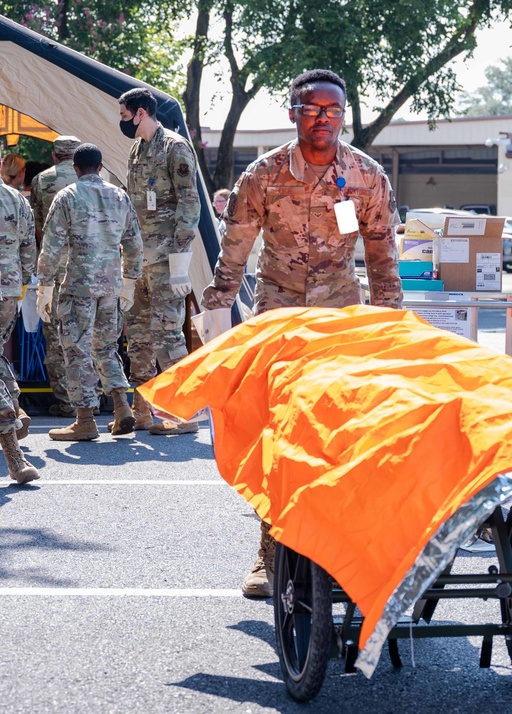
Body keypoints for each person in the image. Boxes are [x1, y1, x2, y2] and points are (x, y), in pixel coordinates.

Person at [201, 68, 403, 598]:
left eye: (332, 110)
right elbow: (236, 251)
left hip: (340, 313)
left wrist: (390, 321)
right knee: (279, 429)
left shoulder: (365, 176)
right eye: (311, 109)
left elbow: (382, 255)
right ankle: (271, 554)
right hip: (279, 312)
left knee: (338, 429)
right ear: (293, 114)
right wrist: (218, 311)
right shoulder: (262, 176)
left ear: (343, 115)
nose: (322, 119)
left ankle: (336, 548)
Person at [36, 144, 144, 441]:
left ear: (75, 168)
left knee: (76, 349)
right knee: (106, 347)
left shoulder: (68, 196)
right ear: (100, 167)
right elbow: (134, 243)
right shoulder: (119, 196)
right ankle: (122, 408)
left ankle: (85, 419)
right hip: (111, 286)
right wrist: (130, 280)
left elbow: (52, 245)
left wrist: (44, 286)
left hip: (79, 285)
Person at [118, 88, 201, 435]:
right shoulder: (137, 149)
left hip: (167, 257)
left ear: (140, 113)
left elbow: (189, 202)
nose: (120, 121)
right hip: (140, 258)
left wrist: (182, 257)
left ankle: (186, 413)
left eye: (123, 115)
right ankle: (142, 411)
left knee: (168, 335)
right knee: (138, 336)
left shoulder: (175, 147)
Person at [29, 135, 82, 418]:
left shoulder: (41, 181)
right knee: (87, 334)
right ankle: (90, 400)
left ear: (54, 156)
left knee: (56, 332)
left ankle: (66, 401)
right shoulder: (96, 181)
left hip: (55, 265)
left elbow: (40, 227)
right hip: (89, 267)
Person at [0, 171, 40, 484]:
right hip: (9, 289)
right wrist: (24, 281)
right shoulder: (15, 197)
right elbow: (29, 244)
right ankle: (16, 405)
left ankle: (15, 457)